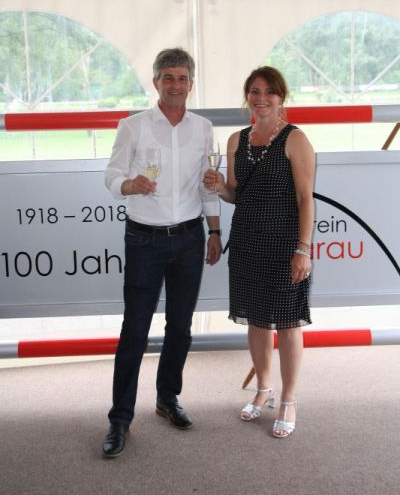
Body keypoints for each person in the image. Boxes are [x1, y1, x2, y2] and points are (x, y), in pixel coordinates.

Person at [102, 48, 222, 457]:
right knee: (135, 330)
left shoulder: (203, 128)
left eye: (182, 78)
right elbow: (111, 175)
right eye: (168, 77)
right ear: (155, 82)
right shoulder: (132, 126)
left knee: (181, 327)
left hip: (189, 237)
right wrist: (128, 185)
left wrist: (214, 230)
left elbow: (208, 184)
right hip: (144, 239)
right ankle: (120, 418)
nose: (175, 85)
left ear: (191, 83)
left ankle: (167, 399)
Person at [204, 66, 315, 438]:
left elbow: (306, 199)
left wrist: (303, 249)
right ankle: (263, 388)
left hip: (284, 243)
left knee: (288, 323)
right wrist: (220, 187)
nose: (261, 98)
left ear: (282, 97)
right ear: (247, 96)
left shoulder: (295, 139)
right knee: (255, 320)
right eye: (255, 90)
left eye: (269, 91)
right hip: (247, 241)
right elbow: (237, 195)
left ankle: (289, 399)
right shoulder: (236, 140)